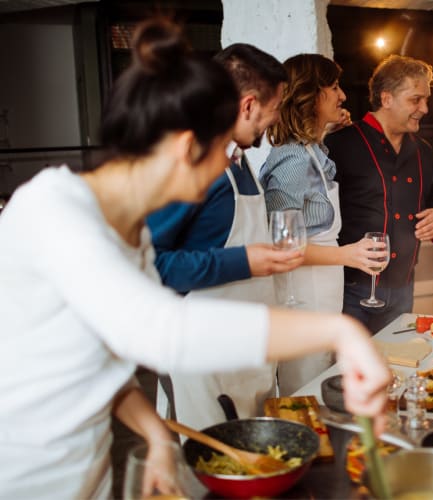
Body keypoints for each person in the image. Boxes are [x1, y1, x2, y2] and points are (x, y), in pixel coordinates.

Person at [0, 18, 390, 498]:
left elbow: (108, 363)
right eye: (217, 161)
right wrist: (341, 332)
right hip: (25, 478)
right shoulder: (53, 211)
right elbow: (162, 332)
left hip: (91, 473)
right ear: (187, 148)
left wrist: (157, 434)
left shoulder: (131, 235)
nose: (224, 171)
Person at [144, 43, 301, 432]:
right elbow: (152, 264)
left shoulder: (238, 157)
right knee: (208, 471)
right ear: (248, 105)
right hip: (200, 356)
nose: (276, 118)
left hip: (243, 352)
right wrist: (245, 261)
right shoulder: (191, 160)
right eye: (276, 106)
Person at [260, 54, 387, 394]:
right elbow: (280, 246)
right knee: (303, 386)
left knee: (320, 375)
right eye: (333, 87)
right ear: (310, 96)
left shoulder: (312, 151)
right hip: (301, 293)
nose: (342, 95)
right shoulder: (293, 159)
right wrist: (349, 255)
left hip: (322, 288)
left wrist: (325, 128)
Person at [325, 54, 433, 333]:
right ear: (386, 98)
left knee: (395, 369)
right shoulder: (340, 144)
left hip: (404, 288)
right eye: (416, 99)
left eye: (426, 99)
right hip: (351, 291)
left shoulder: (424, 151)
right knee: (349, 372)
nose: (425, 108)